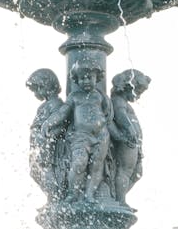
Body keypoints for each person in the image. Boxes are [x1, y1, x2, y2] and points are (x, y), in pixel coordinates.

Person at [44, 63, 113, 203]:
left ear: (97, 78)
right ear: (76, 79)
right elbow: (63, 112)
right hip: (81, 136)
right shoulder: (74, 96)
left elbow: (107, 114)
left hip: (101, 135)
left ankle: (89, 194)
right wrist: (49, 122)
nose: (86, 81)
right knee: (78, 163)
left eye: (90, 77)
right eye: (82, 78)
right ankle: (72, 193)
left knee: (96, 165)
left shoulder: (100, 96)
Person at [109, 69, 150, 203]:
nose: (138, 96)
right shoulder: (117, 100)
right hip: (128, 141)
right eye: (137, 92)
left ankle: (116, 196)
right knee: (125, 170)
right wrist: (130, 130)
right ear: (128, 86)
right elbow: (120, 116)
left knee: (137, 173)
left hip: (134, 142)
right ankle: (120, 199)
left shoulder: (123, 102)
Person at [26, 68, 67, 198]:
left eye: (37, 89)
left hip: (47, 145)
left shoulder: (56, 104)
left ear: (46, 85)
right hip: (39, 145)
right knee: (36, 171)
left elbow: (61, 124)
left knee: (46, 170)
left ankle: (55, 194)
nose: (36, 94)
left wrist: (48, 138)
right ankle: (53, 194)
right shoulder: (46, 105)